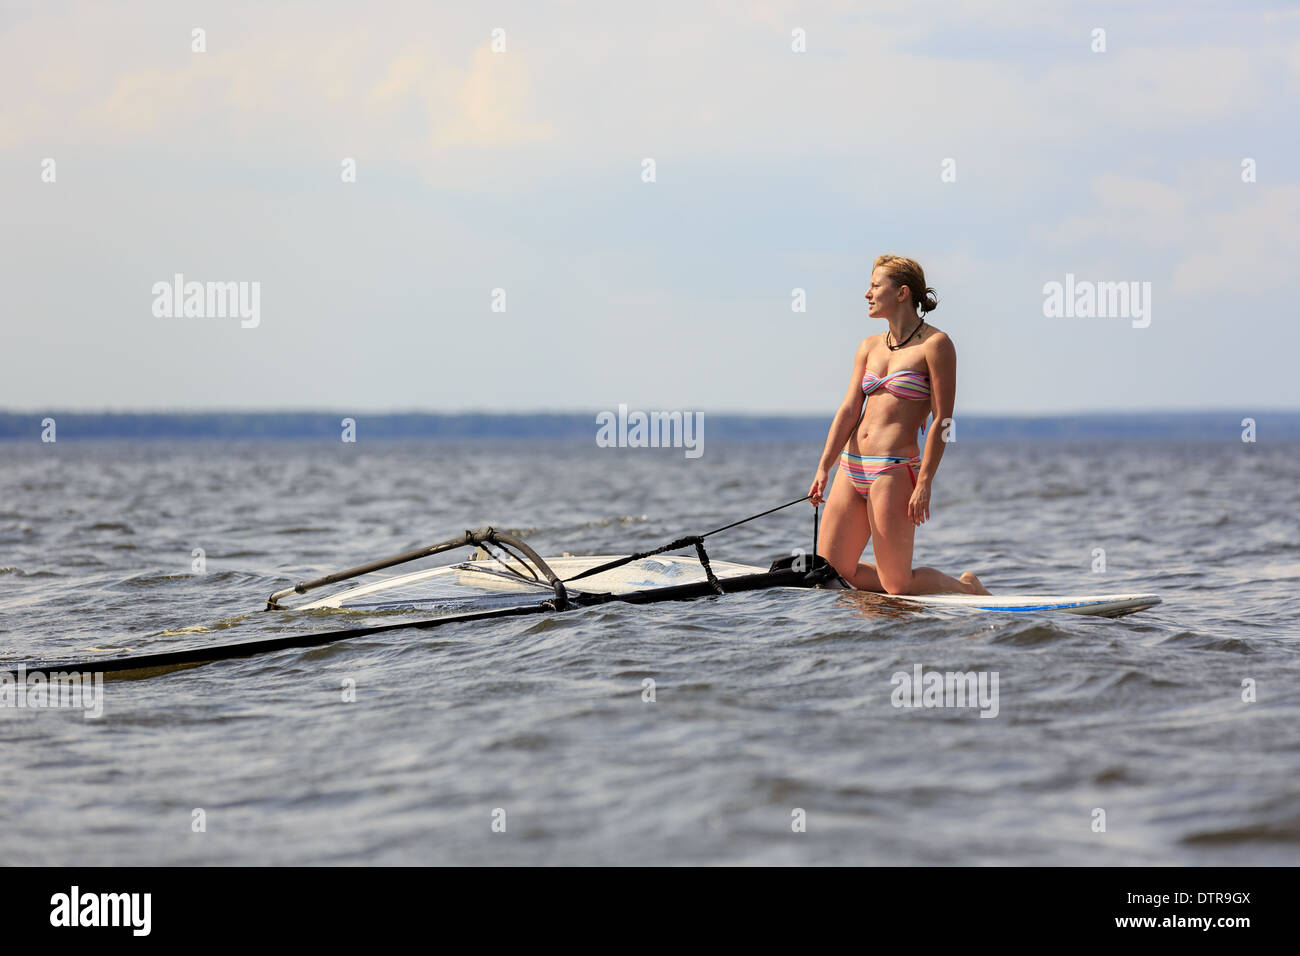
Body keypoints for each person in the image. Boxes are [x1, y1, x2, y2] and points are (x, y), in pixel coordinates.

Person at [808, 254, 988, 595]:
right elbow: (848, 410)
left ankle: (967, 588)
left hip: (893, 470)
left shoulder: (936, 345)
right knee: (830, 573)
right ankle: (868, 626)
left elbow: (943, 420)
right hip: (851, 466)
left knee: (898, 586)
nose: (867, 293)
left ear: (902, 293)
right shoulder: (869, 346)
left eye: (876, 286)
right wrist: (824, 467)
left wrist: (924, 482)